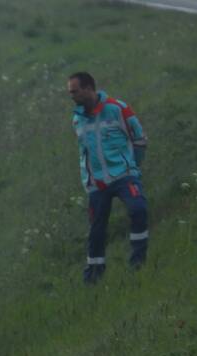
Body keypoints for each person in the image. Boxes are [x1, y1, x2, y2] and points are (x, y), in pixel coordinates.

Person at [67, 72, 149, 284]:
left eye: (74, 91)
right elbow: (82, 152)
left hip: (124, 176)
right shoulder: (77, 119)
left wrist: (132, 166)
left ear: (88, 88)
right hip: (97, 184)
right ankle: (93, 277)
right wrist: (88, 179)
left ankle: (138, 262)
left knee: (138, 209)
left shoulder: (118, 109)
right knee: (96, 231)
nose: (71, 96)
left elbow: (139, 139)